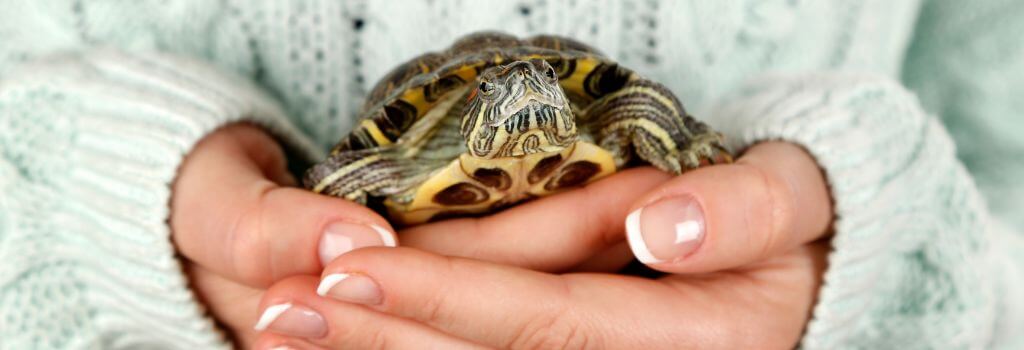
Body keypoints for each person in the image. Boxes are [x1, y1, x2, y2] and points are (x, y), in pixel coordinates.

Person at [0, 1, 1020, 349]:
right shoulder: (408, 156)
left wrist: (890, 268)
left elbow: (1004, 168)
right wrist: (81, 227)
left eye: (541, 93)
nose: (529, 97)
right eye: (509, 99)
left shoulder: (600, 112)